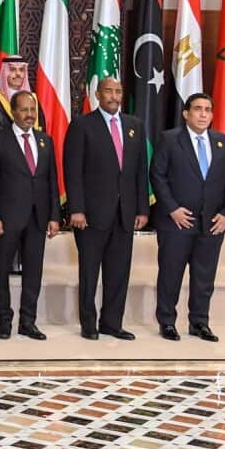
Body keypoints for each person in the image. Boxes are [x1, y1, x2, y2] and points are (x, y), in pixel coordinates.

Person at [63, 77, 149, 341]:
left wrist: (142, 208)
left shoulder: (134, 125)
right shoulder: (82, 125)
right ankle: (89, 323)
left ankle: (112, 322)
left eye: (118, 91)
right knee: (89, 271)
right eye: (109, 91)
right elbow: (73, 170)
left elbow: (139, 172)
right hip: (90, 214)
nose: (114, 96)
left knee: (119, 271)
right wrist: (76, 208)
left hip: (125, 213)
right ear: (98, 94)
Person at [149, 93, 225, 342]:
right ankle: (167, 321)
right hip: (176, 222)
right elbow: (157, 175)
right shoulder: (169, 139)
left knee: (204, 277)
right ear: (186, 113)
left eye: (207, 110)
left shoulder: (223, 142)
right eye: (197, 109)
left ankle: (199, 322)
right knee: (170, 274)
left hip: (211, 223)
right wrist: (172, 209)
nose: (203, 114)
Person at [0, 90, 60, 340]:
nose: (29, 115)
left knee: (33, 271)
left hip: (38, 218)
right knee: (2, 270)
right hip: (6, 219)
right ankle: (4, 320)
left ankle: (28, 321)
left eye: (32, 110)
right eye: (24, 110)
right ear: (13, 112)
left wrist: (55, 216)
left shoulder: (45, 140)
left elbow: (51, 183)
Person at [0, 55, 43, 275]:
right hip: (1, 175)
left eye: (21, 71)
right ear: (4, 73)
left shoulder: (34, 102)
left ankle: (21, 263)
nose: (17, 75)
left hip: (28, 176)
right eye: (12, 70)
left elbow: (41, 138)